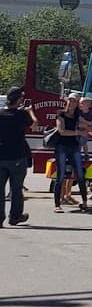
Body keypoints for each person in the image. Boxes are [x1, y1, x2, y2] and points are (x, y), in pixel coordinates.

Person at [50, 91, 90, 214]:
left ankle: (84, 202)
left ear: (78, 104)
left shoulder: (78, 116)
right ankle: (57, 205)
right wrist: (78, 132)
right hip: (61, 147)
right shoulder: (61, 114)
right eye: (71, 100)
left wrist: (87, 127)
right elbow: (61, 131)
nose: (72, 103)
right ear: (67, 101)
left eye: (75, 101)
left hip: (74, 147)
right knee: (60, 176)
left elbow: (88, 125)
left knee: (80, 175)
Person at [0, 84, 33, 226]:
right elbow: (35, 125)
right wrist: (30, 111)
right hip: (17, 157)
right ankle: (15, 216)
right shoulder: (22, 114)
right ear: (19, 99)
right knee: (16, 189)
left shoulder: (0, 114)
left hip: (1, 156)